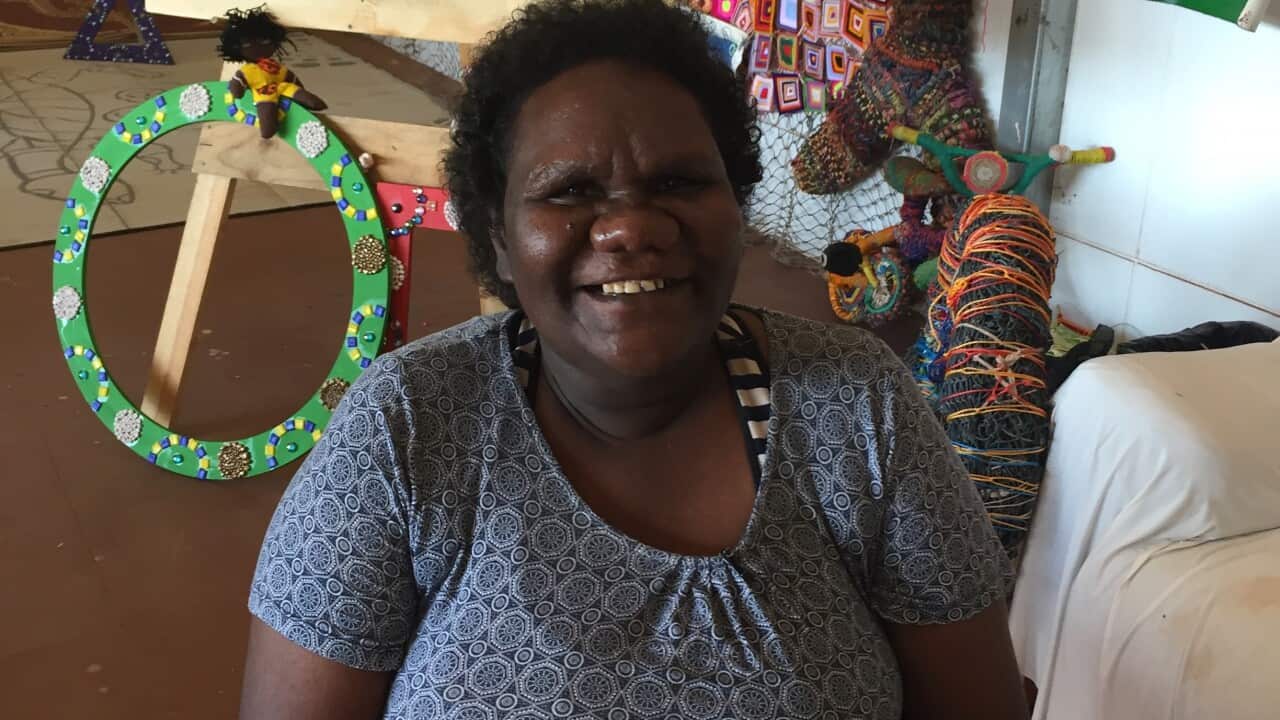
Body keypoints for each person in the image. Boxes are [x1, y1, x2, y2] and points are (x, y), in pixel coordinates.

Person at [239, 1, 1030, 718]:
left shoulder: (860, 407)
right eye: (569, 190)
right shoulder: (407, 427)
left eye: (680, 181)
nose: (631, 228)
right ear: (500, 238)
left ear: (735, 206)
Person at [217, 6, 327, 139]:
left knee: (298, 92)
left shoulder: (274, 66)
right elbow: (238, 83)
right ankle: (268, 128)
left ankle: (309, 105)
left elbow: (288, 76)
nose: (258, 47)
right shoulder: (249, 70)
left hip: (282, 86)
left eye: (264, 41)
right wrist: (237, 90)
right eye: (247, 44)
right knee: (267, 108)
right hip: (263, 92)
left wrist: (298, 86)